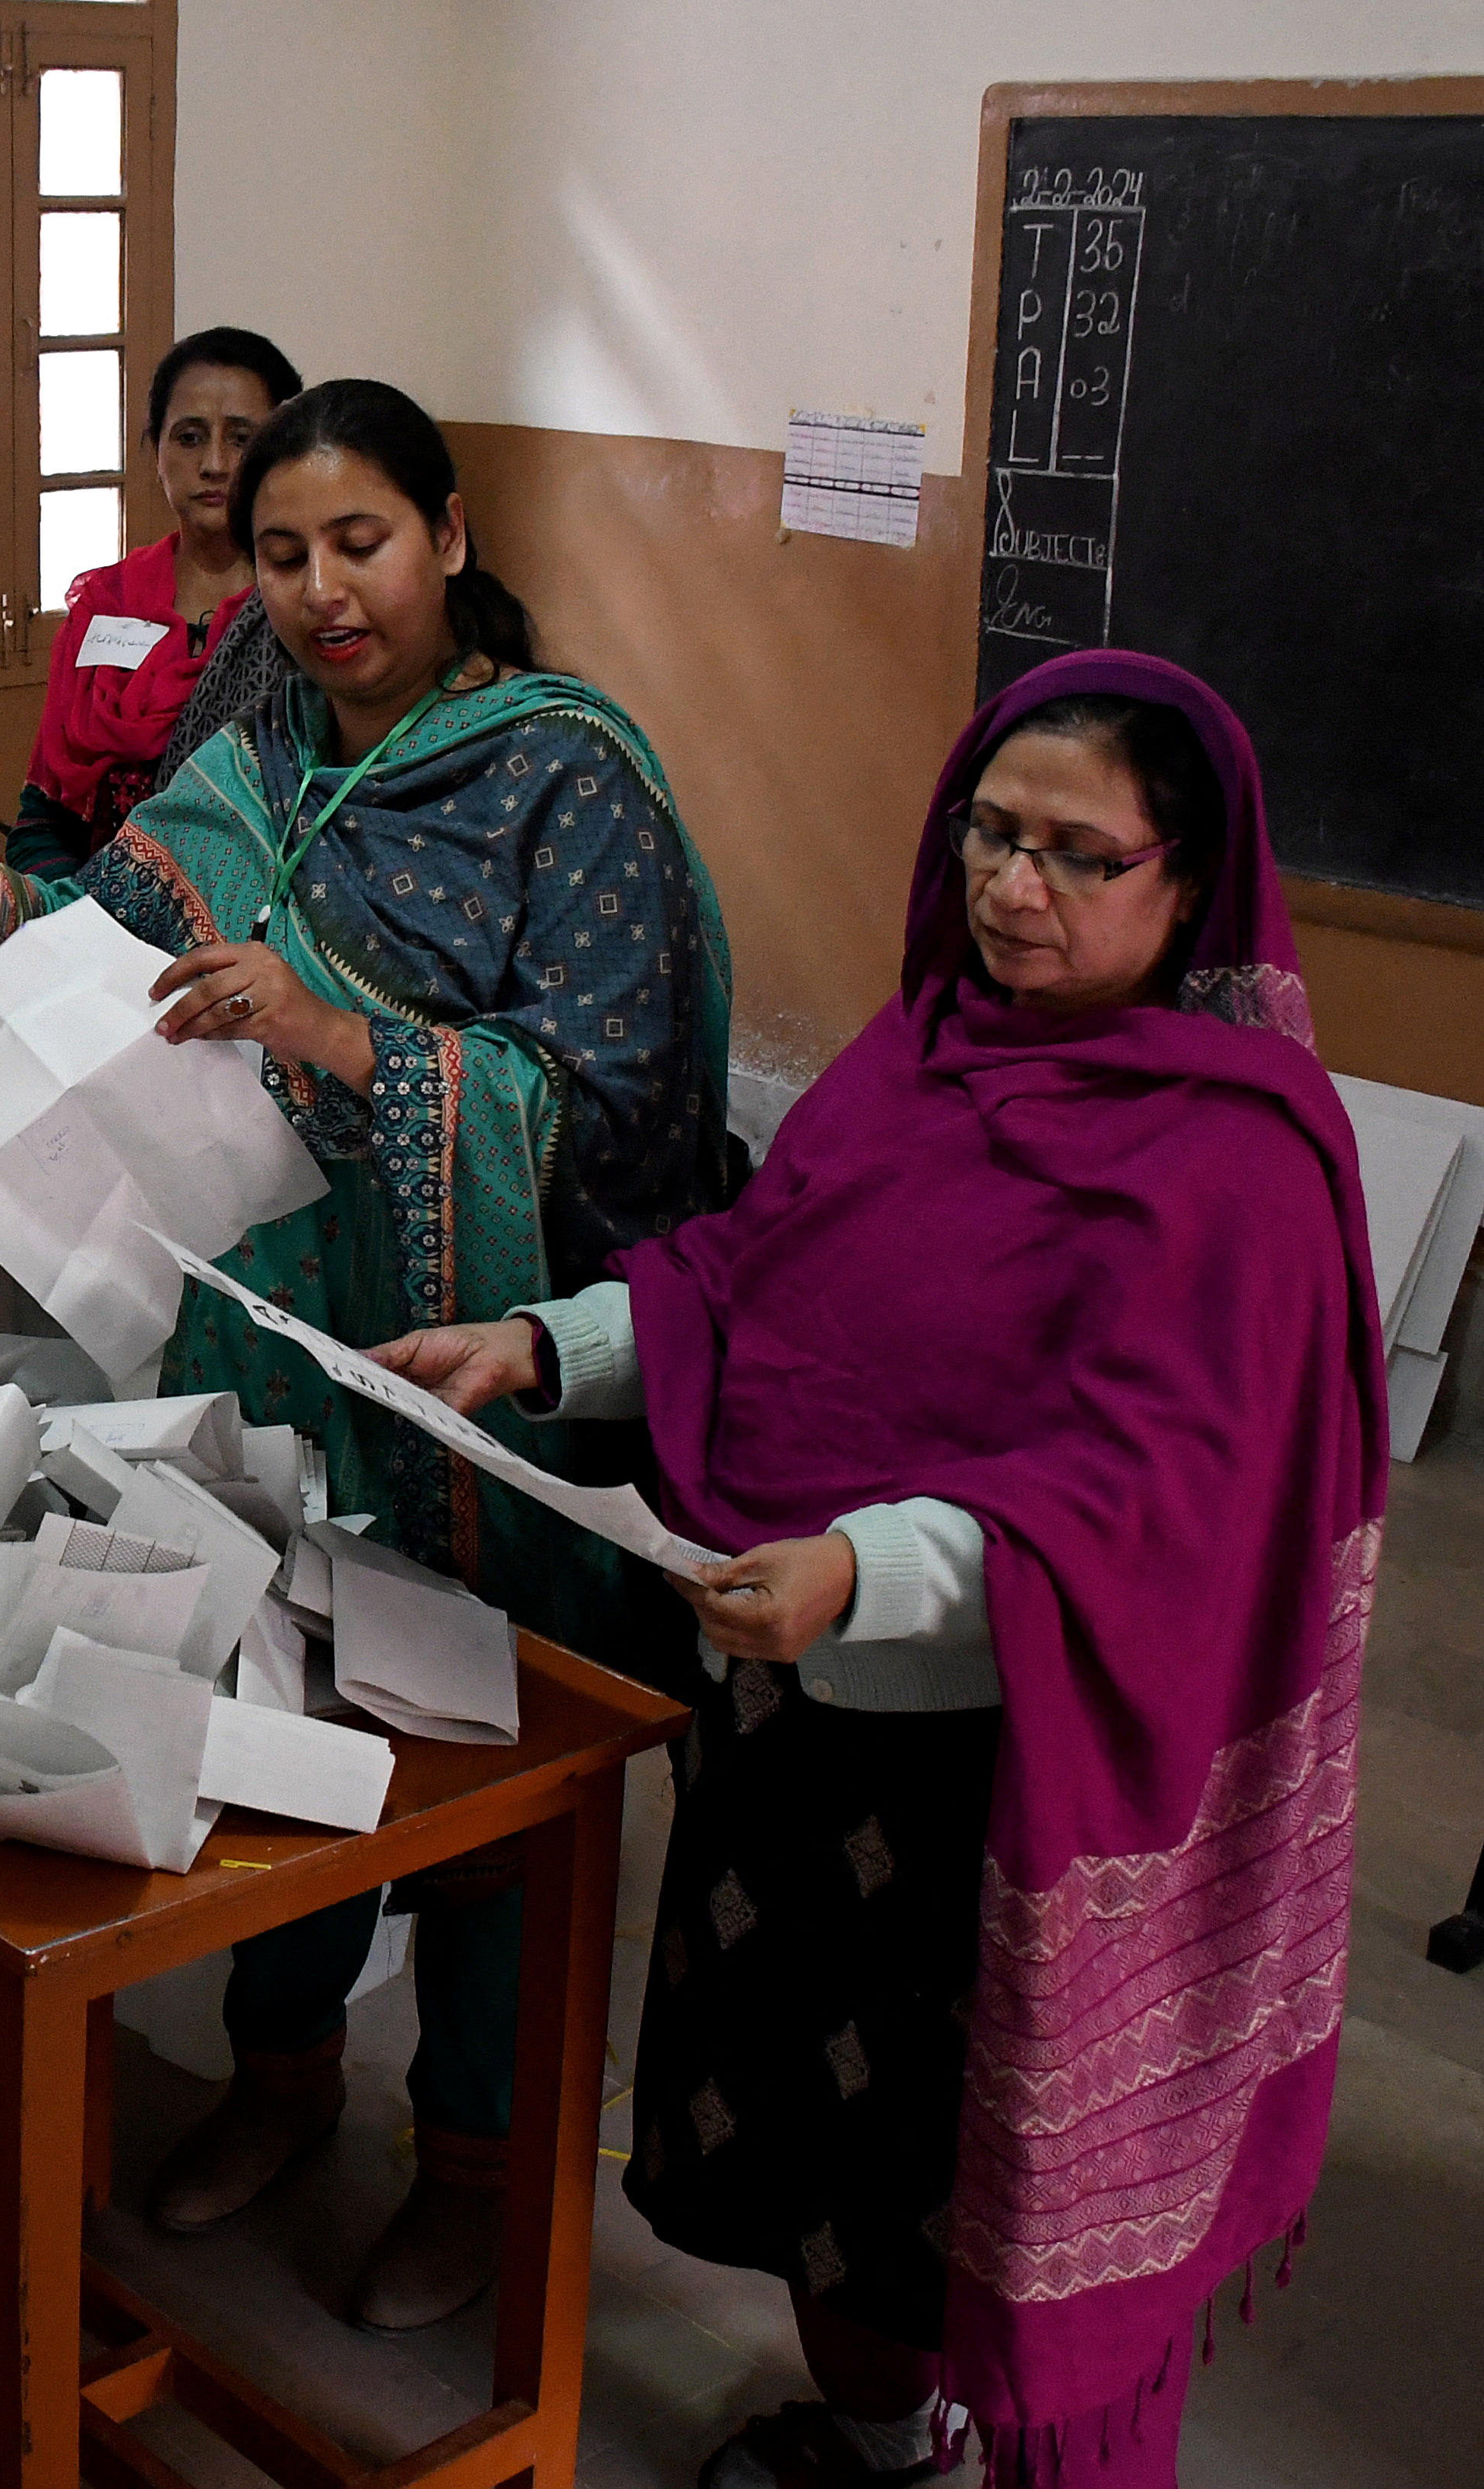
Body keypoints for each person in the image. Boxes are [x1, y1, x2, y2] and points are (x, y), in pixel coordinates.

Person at [373, 653, 1384, 2489]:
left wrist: (870, 1566)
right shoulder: (914, 1057)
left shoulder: (1237, 1158)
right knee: (810, 2144)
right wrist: (541, 1341)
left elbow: (1153, 1501)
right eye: (994, 831)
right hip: (789, 1704)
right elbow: (744, 1274)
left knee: (943, 2162)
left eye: (1082, 854)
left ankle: (963, 2439)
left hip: (1006, 1776)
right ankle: (876, 2432)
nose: (1014, 886)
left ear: (1188, 879)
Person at [0, 377, 735, 2328]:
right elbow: (65, 946)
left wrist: (337, 1039)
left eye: (363, 541)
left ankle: (478, 2158)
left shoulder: (561, 775)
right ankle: (278, 2073)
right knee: (284, 1707)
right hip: (274, 1350)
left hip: (490, 1369)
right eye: (281, 551)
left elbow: (628, 1106)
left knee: (489, 1745)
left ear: (451, 533)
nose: (326, 590)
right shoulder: (246, 762)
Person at [14, 327, 303, 876]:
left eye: (242, 438)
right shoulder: (106, 603)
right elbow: (41, 817)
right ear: (155, 450)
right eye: (189, 437)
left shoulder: (303, 609)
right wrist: (76, 914)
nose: (215, 463)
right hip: (91, 913)